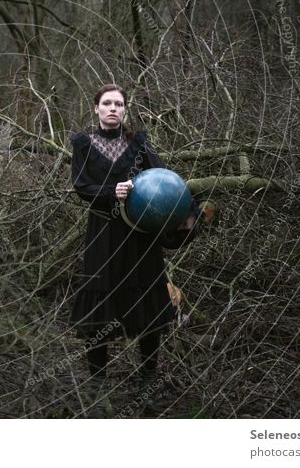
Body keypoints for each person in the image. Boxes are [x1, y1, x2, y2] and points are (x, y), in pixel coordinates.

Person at [68, 83, 203, 416]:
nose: (113, 108)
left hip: (140, 236)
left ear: (125, 110)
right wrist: (113, 190)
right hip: (102, 235)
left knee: (149, 311)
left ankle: (147, 383)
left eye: (119, 104)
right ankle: (98, 388)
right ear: (96, 108)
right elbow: (81, 187)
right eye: (107, 103)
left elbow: (163, 180)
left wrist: (190, 213)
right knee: (99, 313)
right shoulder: (83, 145)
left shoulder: (138, 144)